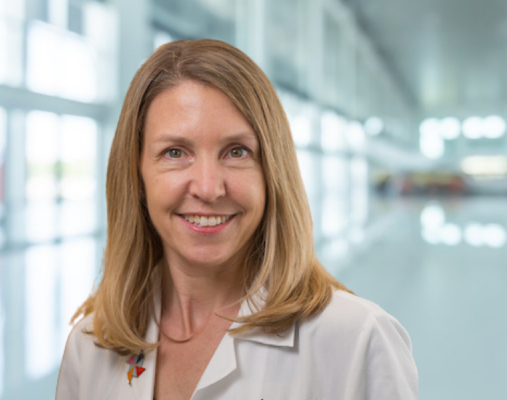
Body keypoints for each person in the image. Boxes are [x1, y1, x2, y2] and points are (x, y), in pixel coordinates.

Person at [56, 39, 418, 400]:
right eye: (175, 152)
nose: (209, 188)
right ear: (136, 175)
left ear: (272, 172)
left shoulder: (356, 341)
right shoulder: (90, 349)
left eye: (236, 152)